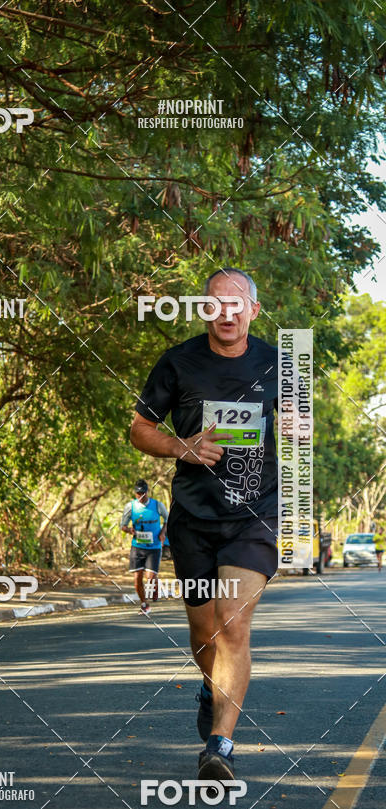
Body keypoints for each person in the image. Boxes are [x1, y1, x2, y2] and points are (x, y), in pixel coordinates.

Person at [130, 267, 279, 782]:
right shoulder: (178, 362)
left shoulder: (279, 365)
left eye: (237, 304)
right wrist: (181, 447)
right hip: (193, 518)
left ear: (253, 311)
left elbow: (301, 433)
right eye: (216, 304)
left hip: (254, 518)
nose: (227, 313)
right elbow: (140, 428)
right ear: (204, 310)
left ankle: (221, 745)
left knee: (234, 624)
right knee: (203, 633)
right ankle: (209, 685)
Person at [120, 479, 168, 614]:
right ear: (135, 493)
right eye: (138, 494)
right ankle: (144, 604)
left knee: (150, 578)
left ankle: (155, 582)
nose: (140, 496)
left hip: (154, 547)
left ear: (147, 492)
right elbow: (122, 526)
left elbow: (167, 520)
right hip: (137, 546)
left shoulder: (158, 505)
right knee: (137, 578)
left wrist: (163, 533)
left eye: (143, 493)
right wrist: (130, 530)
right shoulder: (130, 507)